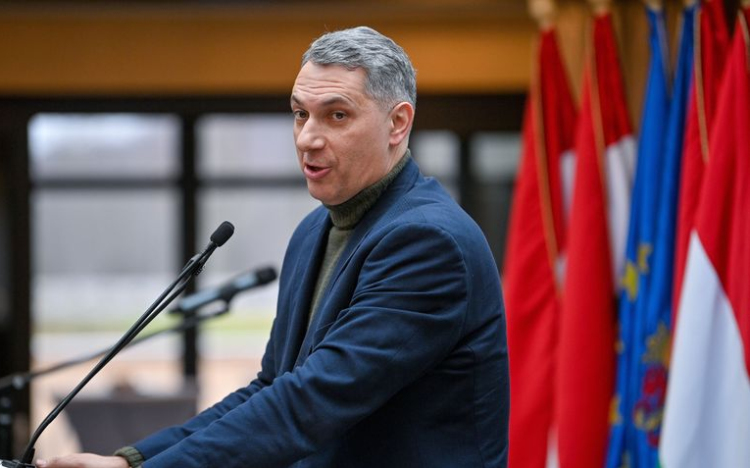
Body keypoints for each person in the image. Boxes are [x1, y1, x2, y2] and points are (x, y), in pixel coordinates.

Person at [38, 26, 509, 468]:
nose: (308, 138)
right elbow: (271, 387)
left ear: (397, 124)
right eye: (300, 114)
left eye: (337, 115)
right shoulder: (313, 232)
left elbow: (310, 401)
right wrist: (133, 459)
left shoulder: (428, 241)